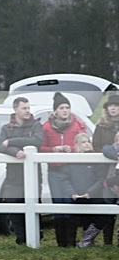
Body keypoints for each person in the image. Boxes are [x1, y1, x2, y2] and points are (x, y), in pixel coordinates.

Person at [40, 92, 88, 247]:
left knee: (70, 204)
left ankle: (71, 242)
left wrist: (72, 148)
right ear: (55, 111)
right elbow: (40, 147)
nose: (65, 110)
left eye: (67, 107)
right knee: (58, 205)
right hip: (54, 171)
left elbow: (84, 144)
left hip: (72, 170)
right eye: (61, 107)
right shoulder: (46, 127)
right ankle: (61, 243)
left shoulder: (78, 125)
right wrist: (54, 149)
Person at [0, 96, 43, 245]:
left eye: (28, 108)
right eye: (24, 108)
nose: (27, 111)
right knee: (14, 205)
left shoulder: (35, 125)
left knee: (34, 204)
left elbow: (36, 141)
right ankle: (21, 237)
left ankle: (35, 235)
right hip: (14, 174)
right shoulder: (6, 128)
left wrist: (11, 142)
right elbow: (0, 146)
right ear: (15, 109)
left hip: (33, 174)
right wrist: (15, 152)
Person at [58, 134, 108, 247]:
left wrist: (91, 192)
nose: (86, 144)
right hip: (75, 196)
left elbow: (101, 179)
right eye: (83, 142)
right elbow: (65, 179)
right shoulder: (71, 160)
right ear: (76, 145)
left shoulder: (96, 159)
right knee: (72, 218)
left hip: (93, 196)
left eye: (88, 142)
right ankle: (71, 243)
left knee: (104, 216)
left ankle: (87, 239)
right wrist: (72, 193)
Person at [89, 94, 119, 245]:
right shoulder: (101, 126)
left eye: (116, 105)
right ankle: (107, 241)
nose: (113, 108)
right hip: (106, 169)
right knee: (108, 204)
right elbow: (96, 146)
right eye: (110, 106)